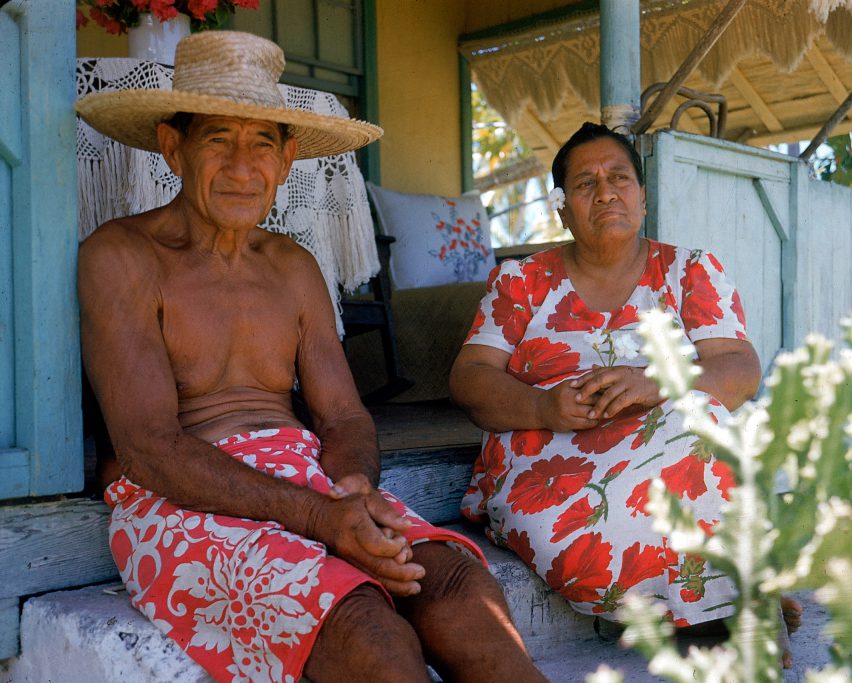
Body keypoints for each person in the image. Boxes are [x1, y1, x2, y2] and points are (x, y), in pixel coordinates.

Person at [76, 31, 547, 683]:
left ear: (288, 156)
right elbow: (151, 448)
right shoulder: (122, 256)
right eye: (218, 139)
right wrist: (321, 517)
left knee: (459, 589)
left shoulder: (293, 266)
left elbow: (345, 416)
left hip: (309, 481)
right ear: (172, 146)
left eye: (261, 143)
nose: (243, 166)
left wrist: (352, 489)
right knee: (368, 634)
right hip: (178, 501)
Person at [450, 122, 801, 663]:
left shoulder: (689, 271)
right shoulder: (521, 282)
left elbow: (740, 369)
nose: (607, 192)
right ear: (563, 208)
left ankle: (731, 606)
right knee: (575, 540)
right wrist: (544, 405)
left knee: (705, 423)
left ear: (642, 197)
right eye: (586, 184)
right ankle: (709, 612)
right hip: (548, 458)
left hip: (666, 444)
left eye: (619, 178)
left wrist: (655, 383)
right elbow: (469, 377)